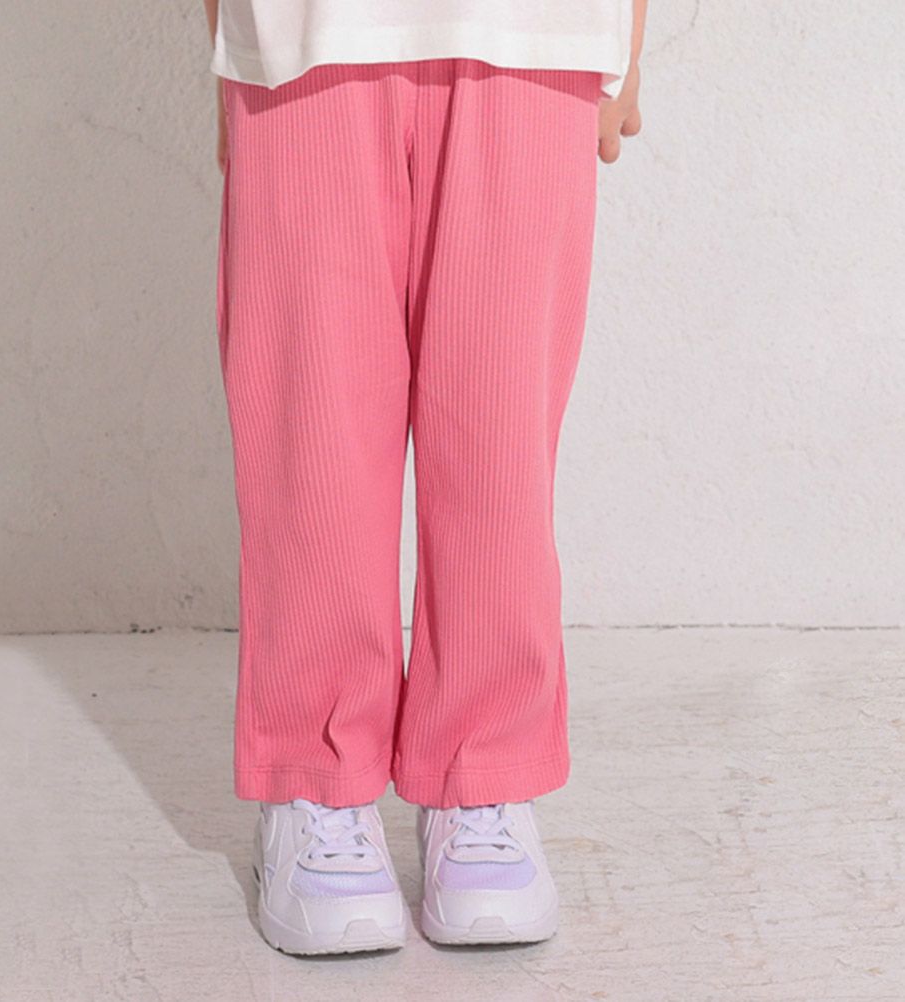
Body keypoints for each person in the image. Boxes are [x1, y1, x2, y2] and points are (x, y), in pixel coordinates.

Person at [202, 0, 647, 955]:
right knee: (312, 431)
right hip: (305, 34)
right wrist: (228, 41)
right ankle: (317, 780)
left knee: (499, 437)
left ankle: (483, 774)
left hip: (535, 35)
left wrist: (629, 37)